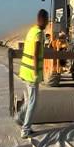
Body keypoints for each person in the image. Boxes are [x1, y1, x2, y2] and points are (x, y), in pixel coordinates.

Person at [15, 9, 49, 139]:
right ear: (44, 19)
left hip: (25, 71)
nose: (47, 22)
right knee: (33, 102)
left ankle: (19, 117)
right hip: (31, 73)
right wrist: (36, 72)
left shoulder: (32, 30)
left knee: (30, 100)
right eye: (47, 19)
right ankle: (25, 129)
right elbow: (35, 53)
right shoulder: (39, 34)